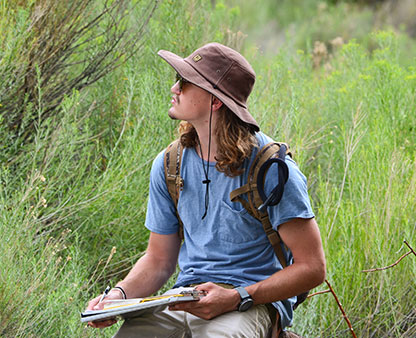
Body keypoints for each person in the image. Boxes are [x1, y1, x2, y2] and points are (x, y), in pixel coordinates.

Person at [86, 42, 326, 338]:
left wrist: (238, 296)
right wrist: (118, 298)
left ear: (215, 101)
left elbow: (313, 268)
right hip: (184, 300)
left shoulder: (271, 170)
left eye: (185, 82)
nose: (175, 88)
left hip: (250, 304)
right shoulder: (169, 165)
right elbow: (159, 260)